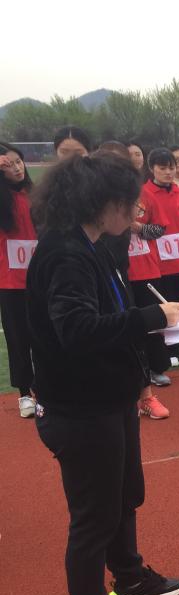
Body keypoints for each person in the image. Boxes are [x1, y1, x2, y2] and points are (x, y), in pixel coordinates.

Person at [26, 151, 179, 595]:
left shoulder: (90, 244)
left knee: (122, 495)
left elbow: (104, 316)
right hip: (79, 407)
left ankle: (130, 578)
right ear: (101, 202)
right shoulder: (66, 253)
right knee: (94, 515)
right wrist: (152, 318)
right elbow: (76, 330)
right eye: (129, 202)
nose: (137, 210)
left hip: (107, 396)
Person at [126, 150, 174, 417]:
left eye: (136, 154)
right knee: (126, 324)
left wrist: (138, 228)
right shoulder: (106, 196)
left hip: (147, 269)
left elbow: (160, 230)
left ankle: (156, 368)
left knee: (153, 321)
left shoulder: (147, 195)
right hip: (121, 271)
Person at [143, 147, 179, 368]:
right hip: (161, 263)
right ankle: (170, 349)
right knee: (166, 306)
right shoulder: (145, 193)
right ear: (151, 168)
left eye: (171, 167)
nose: (168, 172)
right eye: (162, 168)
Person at [0, 142, 38, 417]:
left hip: (40, 279)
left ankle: (48, 387)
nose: (16, 168)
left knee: (46, 336)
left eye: (18, 161)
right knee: (18, 339)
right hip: (10, 282)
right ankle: (25, 393)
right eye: (8, 165)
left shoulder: (36, 195)